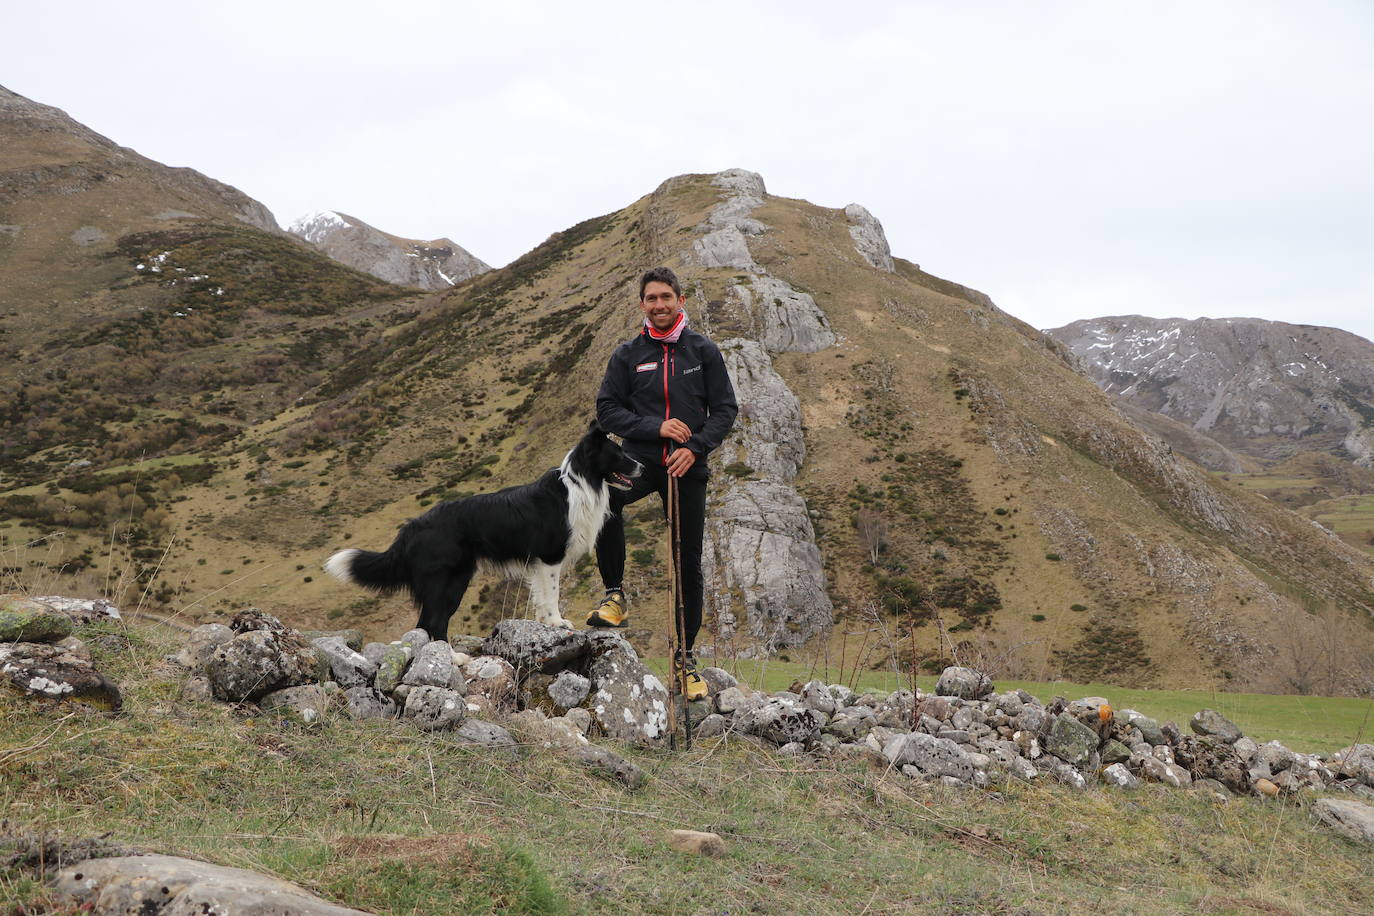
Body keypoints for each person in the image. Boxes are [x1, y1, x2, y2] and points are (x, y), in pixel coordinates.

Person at [588, 267, 738, 700]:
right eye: (651, 298)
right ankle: (614, 597)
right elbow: (607, 411)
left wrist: (696, 446)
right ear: (641, 304)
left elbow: (725, 409)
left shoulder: (703, 351)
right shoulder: (627, 354)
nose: (659, 305)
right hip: (638, 458)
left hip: (688, 465)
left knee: (687, 561)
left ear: (680, 299)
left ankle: (685, 661)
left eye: (666, 297)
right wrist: (657, 428)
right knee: (604, 501)